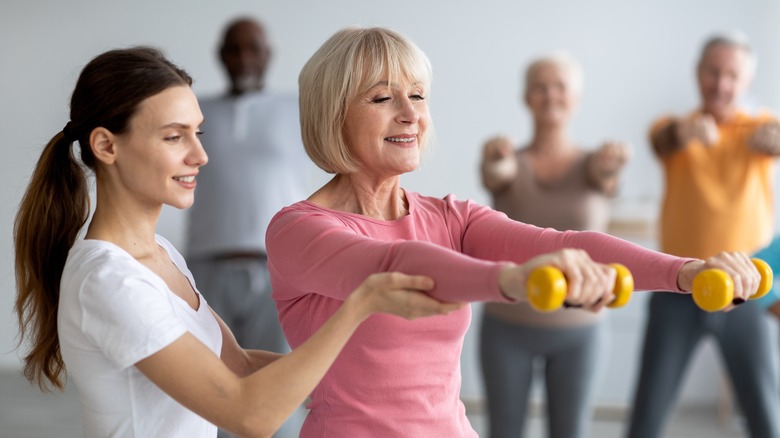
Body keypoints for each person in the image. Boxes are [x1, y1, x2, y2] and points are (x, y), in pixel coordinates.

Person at [265, 26, 762, 437]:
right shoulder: (298, 230)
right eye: (382, 98)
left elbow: (563, 243)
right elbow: (396, 268)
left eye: (417, 95)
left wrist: (689, 271)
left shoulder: (450, 216)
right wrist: (516, 281)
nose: (411, 113)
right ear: (333, 112)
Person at [12, 46, 462, 438]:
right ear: (107, 147)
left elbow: (239, 366)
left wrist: (383, 382)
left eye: (198, 132)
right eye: (174, 136)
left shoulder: (160, 256)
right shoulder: (110, 281)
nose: (200, 155)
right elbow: (250, 415)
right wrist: (359, 306)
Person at [625, 33, 780, 438]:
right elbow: (662, 138)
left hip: (749, 289)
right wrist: (686, 133)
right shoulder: (673, 129)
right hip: (676, 285)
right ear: (698, 73)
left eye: (732, 75)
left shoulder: (763, 128)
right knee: (647, 416)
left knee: (767, 416)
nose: (721, 84)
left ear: (746, 81)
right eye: (714, 72)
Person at [479, 52, 630, 438]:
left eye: (560, 87)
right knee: (504, 432)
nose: (550, 95)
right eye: (540, 87)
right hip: (507, 327)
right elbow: (497, 174)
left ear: (576, 97)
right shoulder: (508, 160)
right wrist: (495, 159)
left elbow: (608, 176)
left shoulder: (597, 163)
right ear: (527, 97)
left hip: (581, 331)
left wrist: (613, 165)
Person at [185, 17, 309, 356]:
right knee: (207, 380)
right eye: (234, 49)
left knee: (277, 377)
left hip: (279, 269)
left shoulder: (299, 110)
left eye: (253, 48)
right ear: (220, 55)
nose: (244, 58)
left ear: (268, 54)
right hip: (206, 268)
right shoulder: (193, 112)